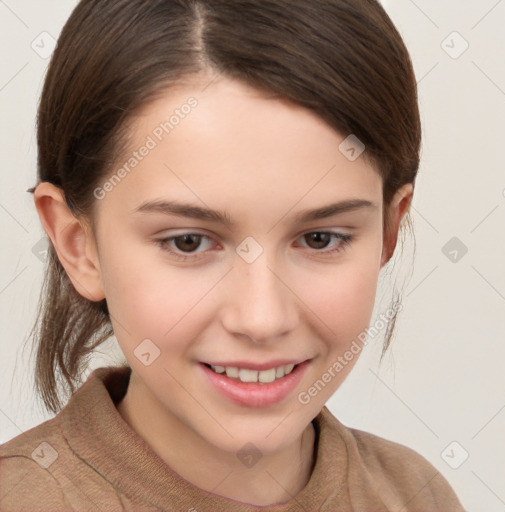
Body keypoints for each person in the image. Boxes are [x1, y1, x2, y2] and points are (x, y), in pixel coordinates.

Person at [0, 0, 466, 510]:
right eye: (188, 242)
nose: (262, 320)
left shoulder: (416, 495)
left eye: (320, 239)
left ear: (388, 230)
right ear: (78, 246)